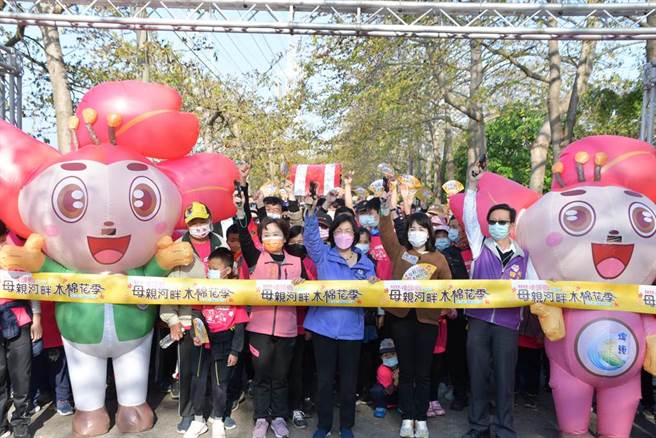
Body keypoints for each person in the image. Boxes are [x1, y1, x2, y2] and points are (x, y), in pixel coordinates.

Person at [461, 163, 538, 438]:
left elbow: (534, 289)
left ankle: (505, 429)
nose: (496, 226)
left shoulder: (524, 256)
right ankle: (478, 426)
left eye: (502, 222)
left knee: (506, 380)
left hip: (508, 325)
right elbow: (470, 217)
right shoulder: (479, 245)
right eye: (492, 222)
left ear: (512, 225)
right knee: (478, 377)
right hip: (479, 322)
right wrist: (472, 186)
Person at [378, 189, 452, 438]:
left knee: (423, 372)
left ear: (428, 233)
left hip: (428, 321)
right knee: (406, 371)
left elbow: (448, 289)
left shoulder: (438, 258)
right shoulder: (400, 253)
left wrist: (444, 309)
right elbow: (387, 233)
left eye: (421, 229)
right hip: (401, 318)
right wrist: (385, 209)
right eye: (412, 228)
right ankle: (407, 416)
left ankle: (421, 418)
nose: (415, 233)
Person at [234, 191, 306, 438]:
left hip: (287, 329)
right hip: (259, 330)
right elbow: (244, 235)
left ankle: (278, 418)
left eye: (276, 234)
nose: (271, 238)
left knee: (281, 378)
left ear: (285, 238)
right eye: (266, 234)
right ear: (261, 238)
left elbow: (310, 288)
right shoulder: (255, 258)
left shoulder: (297, 261)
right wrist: (241, 208)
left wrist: (302, 283)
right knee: (262, 378)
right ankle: (261, 418)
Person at [303, 203, 377, 438]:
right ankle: (323, 425)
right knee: (324, 381)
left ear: (355, 235)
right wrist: (312, 214)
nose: (343, 235)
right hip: (323, 329)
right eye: (338, 231)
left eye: (347, 231)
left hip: (351, 331)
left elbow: (371, 296)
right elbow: (311, 239)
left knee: (348, 382)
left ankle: (346, 425)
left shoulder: (366, 263)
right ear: (333, 235)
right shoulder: (324, 256)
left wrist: (374, 284)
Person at [160, 201, 227, 434]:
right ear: (187, 225)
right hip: (189, 319)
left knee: (217, 370)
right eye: (193, 223)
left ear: (210, 219)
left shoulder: (221, 243)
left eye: (202, 221)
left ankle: (219, 413)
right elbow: (169, 287)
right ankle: (189, 413)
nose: (199, 226)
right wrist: (172, 320)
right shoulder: (178, 248)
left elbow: (234, 277)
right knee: (189, 370)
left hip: (219, 319)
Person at [185, 248, 249, 438]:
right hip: (202, 342)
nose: (210, 271)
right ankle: (198, 420)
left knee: (220, 384)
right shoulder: (203, 287)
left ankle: (218, 419)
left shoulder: (236, 291)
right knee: (198, 381)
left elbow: (239, 325)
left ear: (228, 270)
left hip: (224, 342)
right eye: (209, 268)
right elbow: (195, 312)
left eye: (214, 268)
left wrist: (235, 351)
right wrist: (195, 334)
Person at [0, 221, 43, 438]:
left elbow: (30, 285)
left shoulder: (15, 253)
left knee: (21, 376)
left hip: (19, 320)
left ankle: (20, 423)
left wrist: (36, 317)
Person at [433, 217, 469, 411]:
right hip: (454, 313)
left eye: (457, 227)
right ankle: (459, 393)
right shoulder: (448, 254)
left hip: (480, 313)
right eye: (452, 227)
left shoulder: (481, 251)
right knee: (456, 355)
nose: (454, 231)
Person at [370, 338, 399, 419]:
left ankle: (403, 406)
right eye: (386, 355)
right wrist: (396, 381)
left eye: (392, 354)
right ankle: (381, 406)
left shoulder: (402, 366)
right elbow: (387, 391)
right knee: (376, 390)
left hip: (400, 395)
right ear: (381, 357)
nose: (390, 357)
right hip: (387, 394)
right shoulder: (382, 369)